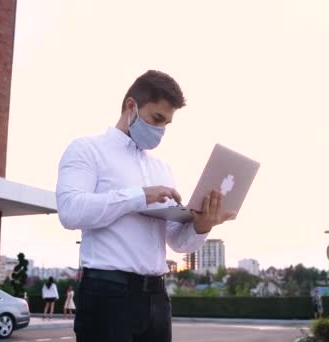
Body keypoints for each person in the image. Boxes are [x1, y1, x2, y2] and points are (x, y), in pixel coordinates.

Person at [56, 70, 236, 342]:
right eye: (156, 119)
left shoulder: (162, 169)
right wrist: (139, 196)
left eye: (167, 124)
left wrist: (201, 225)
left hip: (157, 298)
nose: (160, 130)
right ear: (131, 106)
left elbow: (177, 242)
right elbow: (70, 211)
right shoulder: (86, 149)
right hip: (107, 294)